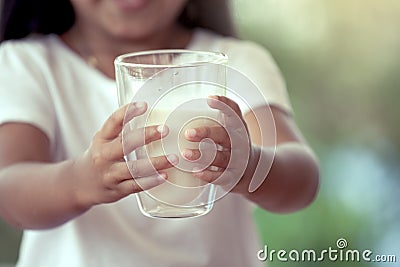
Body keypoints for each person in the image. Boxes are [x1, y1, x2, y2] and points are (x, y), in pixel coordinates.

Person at [0, 0, 320, 266]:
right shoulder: (26, 64)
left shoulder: (235, 61)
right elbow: (9, 187)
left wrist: (249, 164)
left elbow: (303, 179)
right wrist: (81, 180)